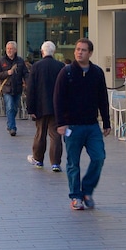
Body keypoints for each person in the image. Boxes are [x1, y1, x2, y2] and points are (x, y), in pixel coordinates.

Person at [54, 38, 110, 211]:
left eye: (83, 50)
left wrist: (106, 122)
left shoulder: (97, 73)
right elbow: (58, 99)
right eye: (77, 49)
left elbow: (103, 98)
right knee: (73, 163)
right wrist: (61, 123)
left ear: (90, 53)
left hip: (92, 126)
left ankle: (87, 190)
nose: (79, 52)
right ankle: (76, 196)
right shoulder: (67, 72)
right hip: (72, 126)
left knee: (99, 157)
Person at [26, 40, 64, 172]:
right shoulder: (60, 66)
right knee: (56, 135)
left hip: (40, 106)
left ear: (42, 52)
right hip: (57, 106)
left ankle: (38, 159)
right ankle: (55, 163)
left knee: (40, 133)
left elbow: (31, 89)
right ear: (54, 52)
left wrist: (30, 108)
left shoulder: (36, 66)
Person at [0, 40, 26, 136]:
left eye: (11, 48)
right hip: (7, 89)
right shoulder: (2, 61)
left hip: (17, 88)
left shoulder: (20, 61)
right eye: (8, 48)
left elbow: (25, 73)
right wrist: (7, 73)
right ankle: (12, 127)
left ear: (15, 50)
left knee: (15, 108)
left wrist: (28, 83)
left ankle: (10, 122)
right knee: (10, 106)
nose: (9, 50)